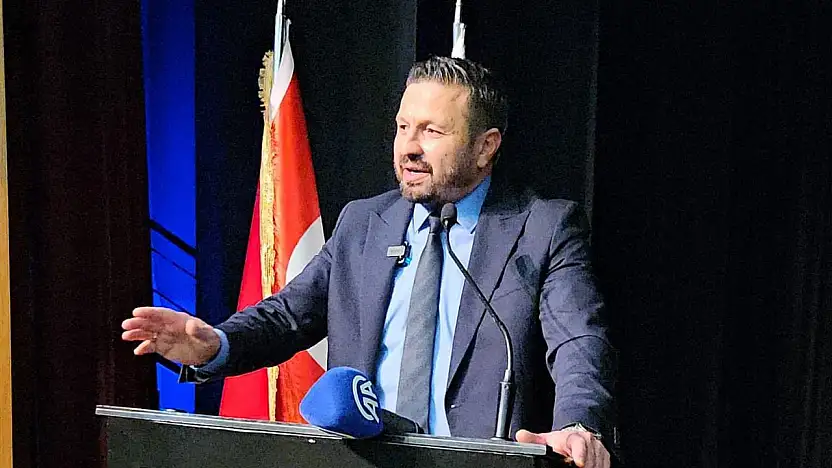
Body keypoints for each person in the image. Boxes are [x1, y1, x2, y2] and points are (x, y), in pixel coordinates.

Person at [123, 57, 616, 468]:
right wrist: (216, 345)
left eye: (431, 131)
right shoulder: (363, 224)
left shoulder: (542, 228)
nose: (410, 148)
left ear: (486, 146)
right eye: (403, 127)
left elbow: (579, 341)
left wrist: (579, 425)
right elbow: (288, 316)